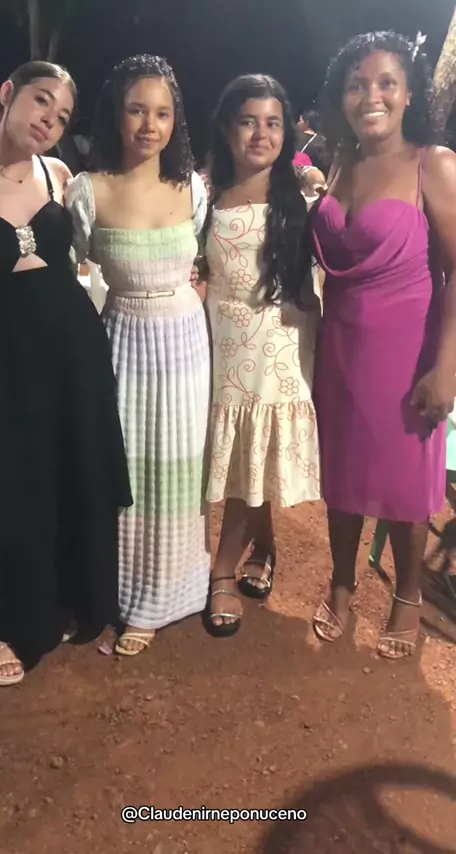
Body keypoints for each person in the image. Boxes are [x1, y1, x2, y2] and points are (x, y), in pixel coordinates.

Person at [0, 61, 132, 685]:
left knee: (67, 472)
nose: (50, 120)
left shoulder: (59, 175)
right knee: (4, 485)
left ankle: (71, 596)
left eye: (63, 116)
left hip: (73, 349)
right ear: (7, 93)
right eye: (42, 101)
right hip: (2, 356)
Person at [311, 31, 456, 659]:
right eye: (356, 84)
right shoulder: (340, 162)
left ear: (409, 93)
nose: (370, 95)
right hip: (339, 348)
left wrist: (447, 367)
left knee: (403, 486)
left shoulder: (433, 164)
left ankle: (407, 596)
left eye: (386, 83)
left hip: (407, 355)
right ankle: (342, 584)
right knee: (341, 475)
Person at [66, 55, 211, 656]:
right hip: (121, 337)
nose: (150, 125)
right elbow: (66, 273)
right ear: (115, 115)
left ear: (176, 120)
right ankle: (115, 591)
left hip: (184, 342)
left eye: (162, 113)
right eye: (136, 110)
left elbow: (205, 264)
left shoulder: (192, 188)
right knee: (122, 466)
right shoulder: (87, 190)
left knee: (177, 467)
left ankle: (168, 592)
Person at [200, 74, 321, 636]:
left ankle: (223, 568)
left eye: (273, 123)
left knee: (252, 445)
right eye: (248, 121)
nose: (260, 134)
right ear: (227, 128)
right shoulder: (203, 195)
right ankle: (266, 546)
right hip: (219, 339)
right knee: (248, 452)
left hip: (275, 343)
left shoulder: (299, 200)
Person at [295, 109, 327, 174]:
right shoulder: (322, 141)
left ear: (307, 122)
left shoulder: (296, 137)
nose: (298, 123)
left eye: (300, 120)